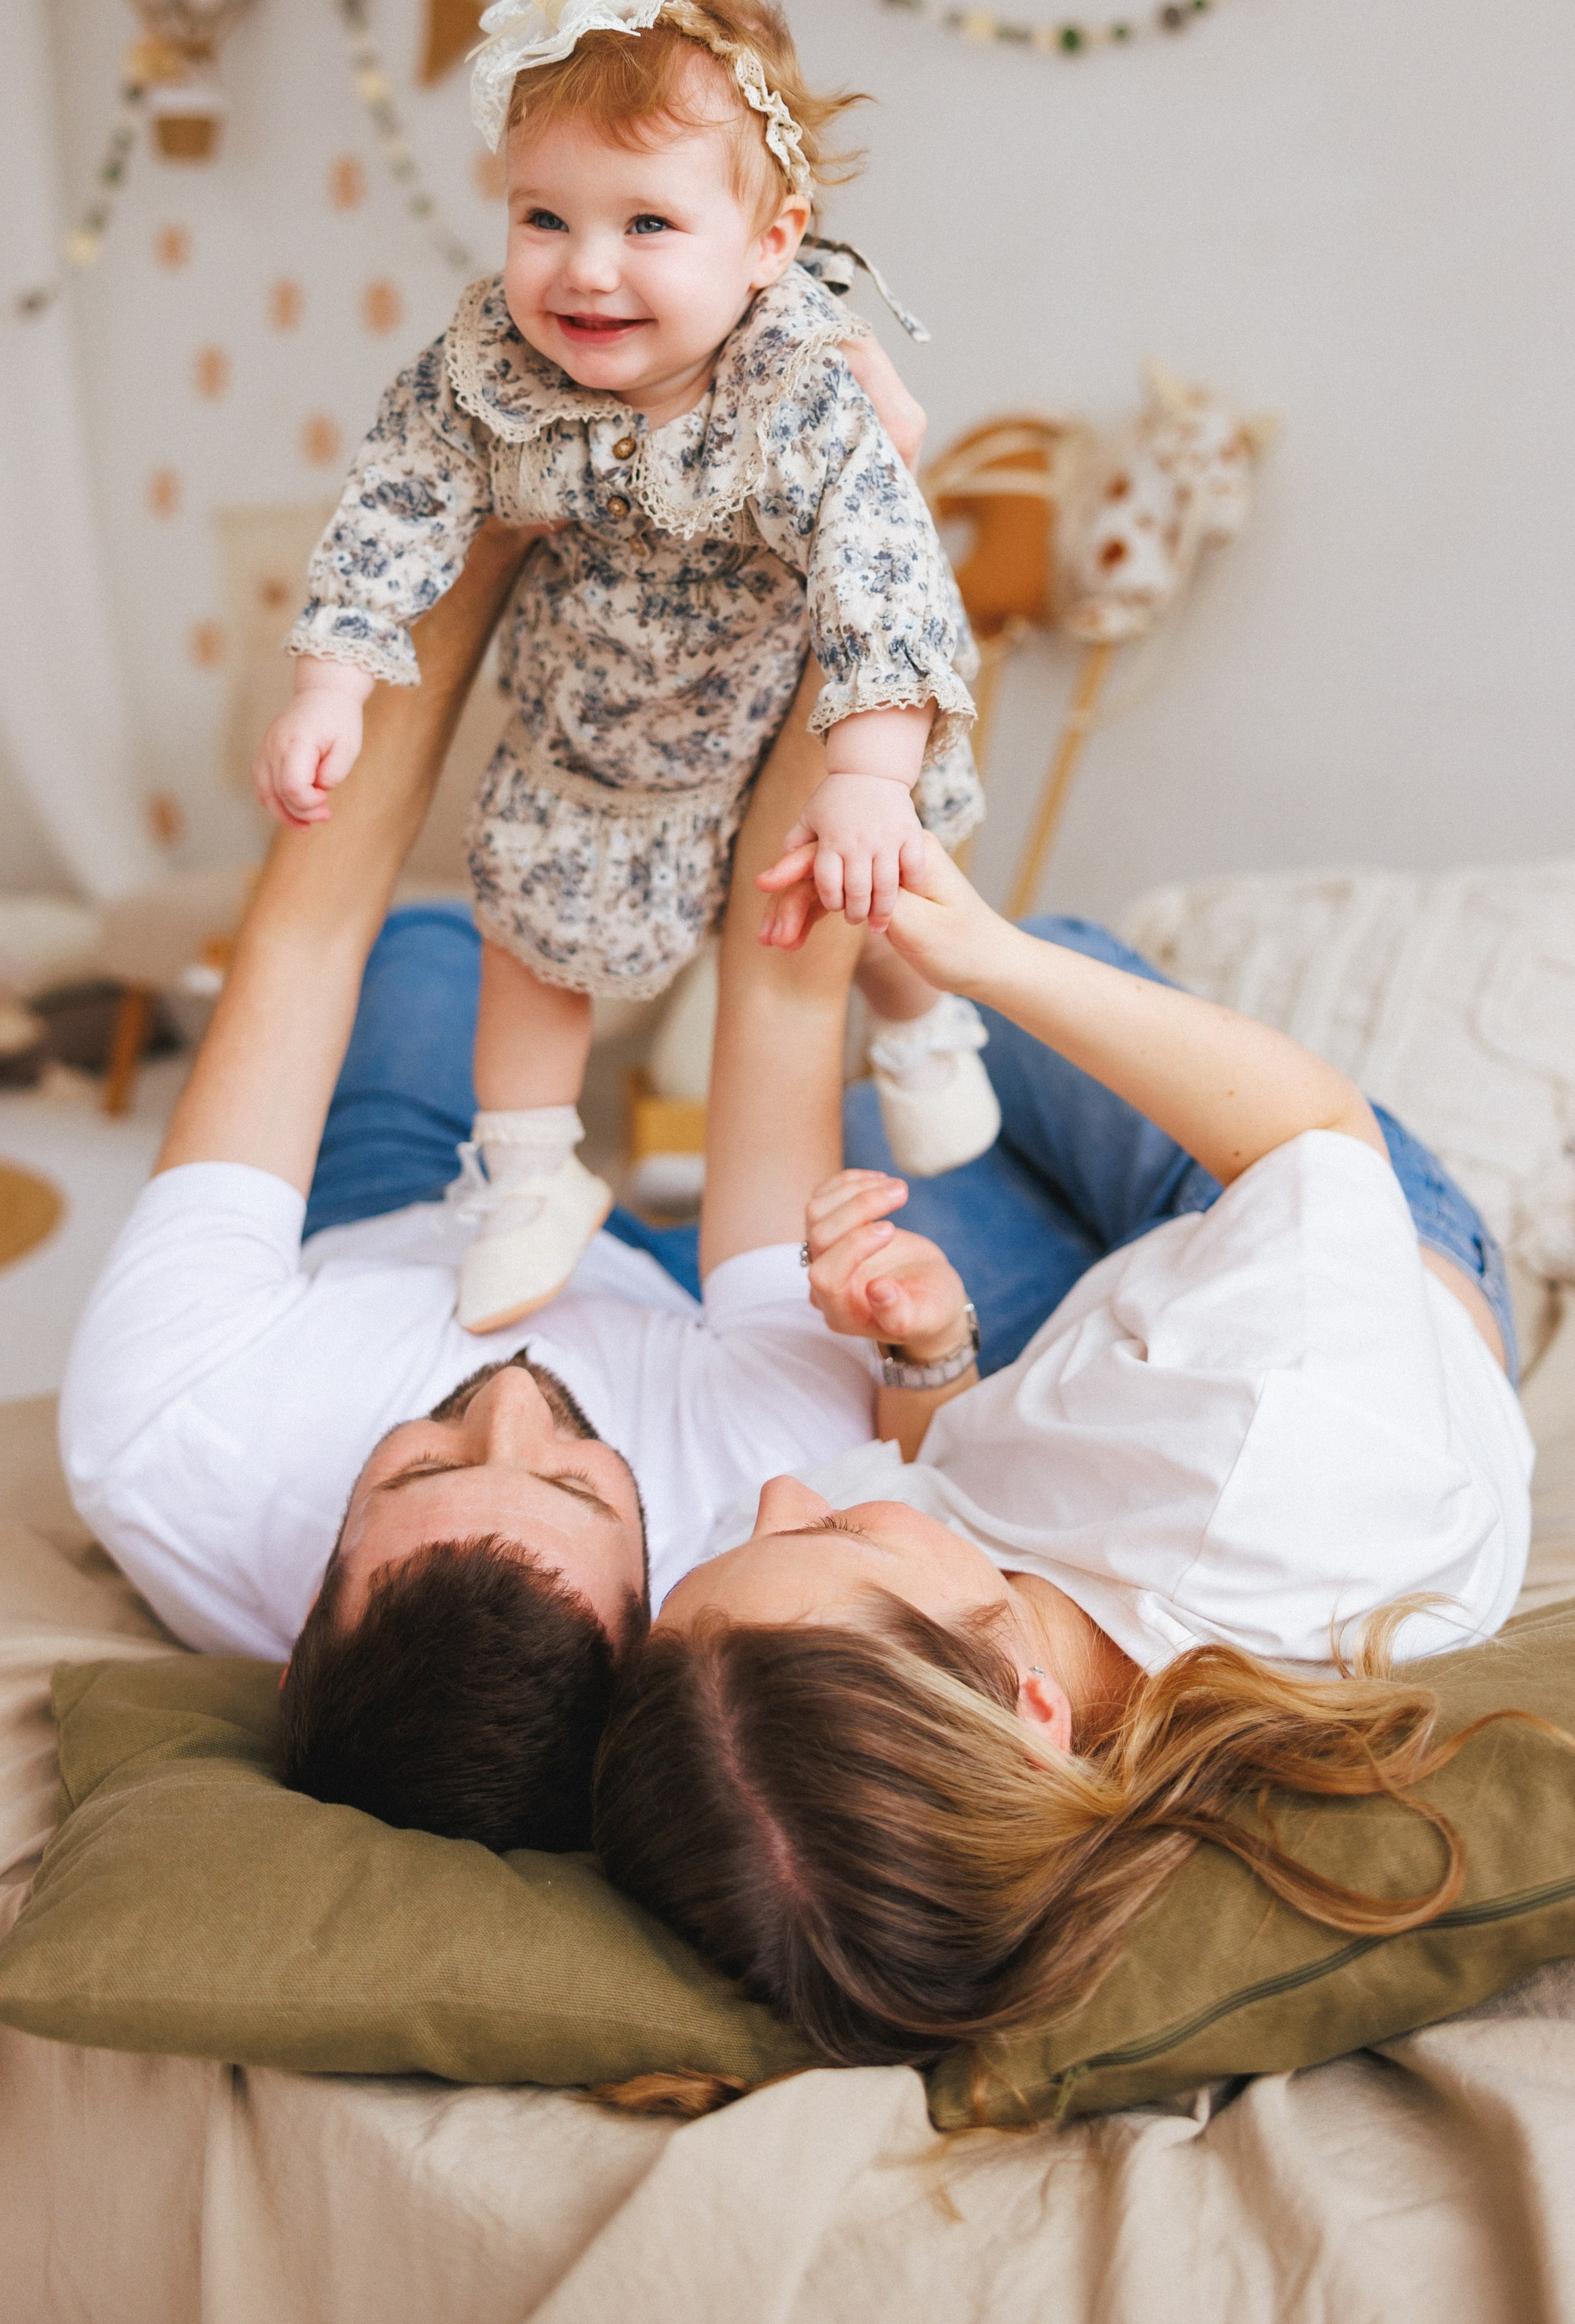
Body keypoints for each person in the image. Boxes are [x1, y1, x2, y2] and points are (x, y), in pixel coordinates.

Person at [61, 533, 975, 1856]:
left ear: (297, 1628)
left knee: (431, 941)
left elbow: (306, 935)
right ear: (660, 1610)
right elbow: (780, 993)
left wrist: (486, 516)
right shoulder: (754, 1497)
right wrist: (848, 542)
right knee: (935, 1143)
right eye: (579, 1485)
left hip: (375, 1224)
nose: (509, 1399)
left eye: (421, 1464)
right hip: (662, 1303)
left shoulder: (159, 1434)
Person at [591, 838, 1537, 2066]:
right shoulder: (1278, 1450)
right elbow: (1310, 1129)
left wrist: (928, 1357)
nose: (781, 1492)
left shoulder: (1000, 1713)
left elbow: (946, 1484)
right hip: (1325, 1232)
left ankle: (924, 1030)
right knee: (1036, 975)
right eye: (830, 1532)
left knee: (892, 1128)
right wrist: (989, 957)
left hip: (1123, 1339)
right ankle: (935, 995)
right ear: (1031, 1707)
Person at [253, 0, 995, 1336]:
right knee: (528, 938)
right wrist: (336, 675)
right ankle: (529, 1169)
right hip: (593, 741)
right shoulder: (492, 373)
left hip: (791, 717)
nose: (584, 267)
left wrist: (868, 774)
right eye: (546, 216)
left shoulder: (803, 392)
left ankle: (917, 1020)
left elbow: (885, 572)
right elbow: (398, 493)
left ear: (768, 241)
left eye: (646, 220)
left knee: (865, 881)